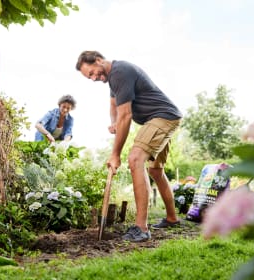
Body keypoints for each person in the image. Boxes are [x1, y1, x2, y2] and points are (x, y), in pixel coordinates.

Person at [75, 51, 183, 242]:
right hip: (166, 117)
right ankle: (172, 218)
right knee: (156, 170)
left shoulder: (119, 72)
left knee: (135, 159)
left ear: (99, 60)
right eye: (89, 77)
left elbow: (126, 115)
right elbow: (114, 107)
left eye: (92, 73)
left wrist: (115, 154)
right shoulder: (112, 79)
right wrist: (114, 122)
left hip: (162, 117)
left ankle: (141, 228)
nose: (93, 79)